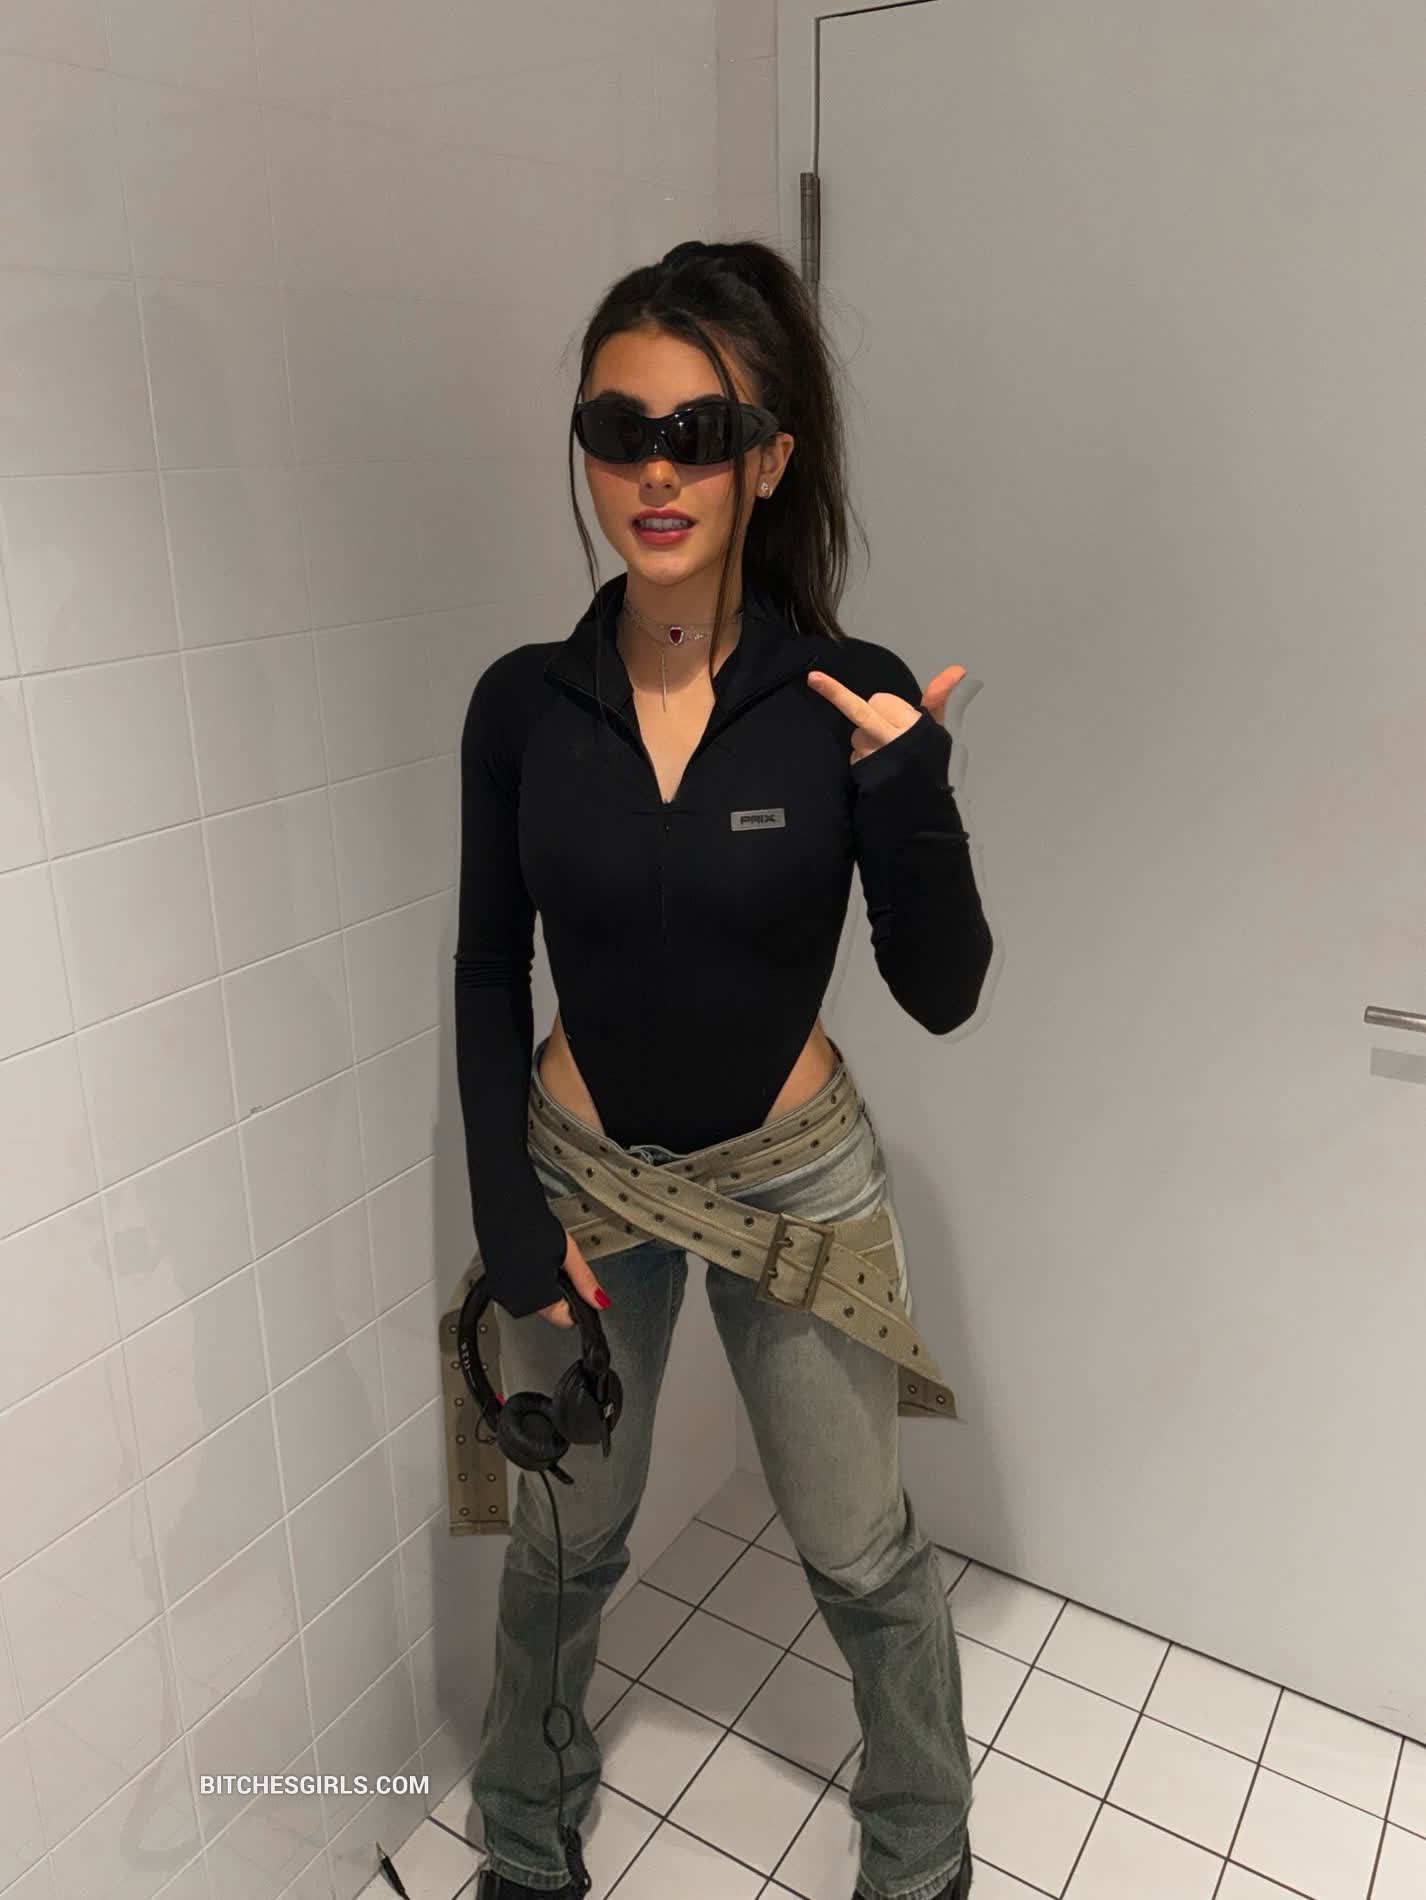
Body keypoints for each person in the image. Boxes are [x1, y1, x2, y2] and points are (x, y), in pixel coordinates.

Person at [457, 237, 992, 1900]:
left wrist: (912, 798)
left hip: (790, 1181)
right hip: (579, 1182)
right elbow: (484, 969)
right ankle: (524, 1837)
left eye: (696, 435)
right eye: (617, 431)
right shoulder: (521, 708)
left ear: (767, 457)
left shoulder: (849, 697)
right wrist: (510, 1223)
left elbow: (944, 993)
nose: (655, 472)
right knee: (560, 1544)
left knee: (859, 1552)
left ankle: (920, 1854)